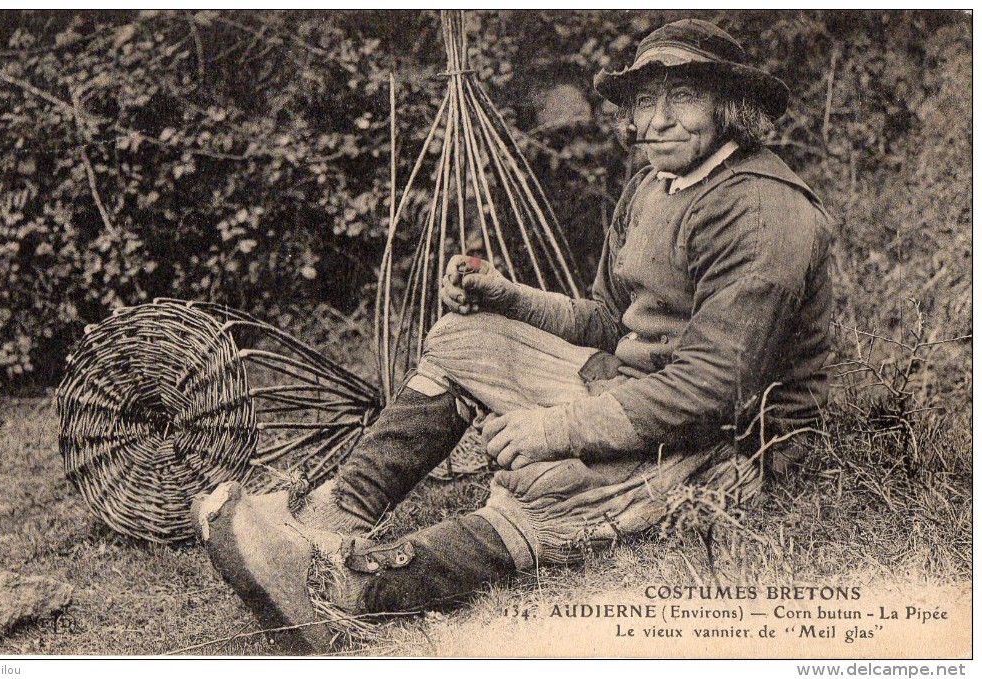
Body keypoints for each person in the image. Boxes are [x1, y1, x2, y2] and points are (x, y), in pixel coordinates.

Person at [191, 18, 833, 654]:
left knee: (546, 483)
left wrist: (553, 429)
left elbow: (714, 390)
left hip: (728, 443)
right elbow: (613, 325)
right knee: (465, 337)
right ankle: (329, 519)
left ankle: (336, 592)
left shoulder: (761, 210)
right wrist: (510, 297)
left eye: (683, 97)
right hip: (639, 389)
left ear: (730, 107)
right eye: (643, 100)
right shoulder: (654, 183)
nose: (657, 121)